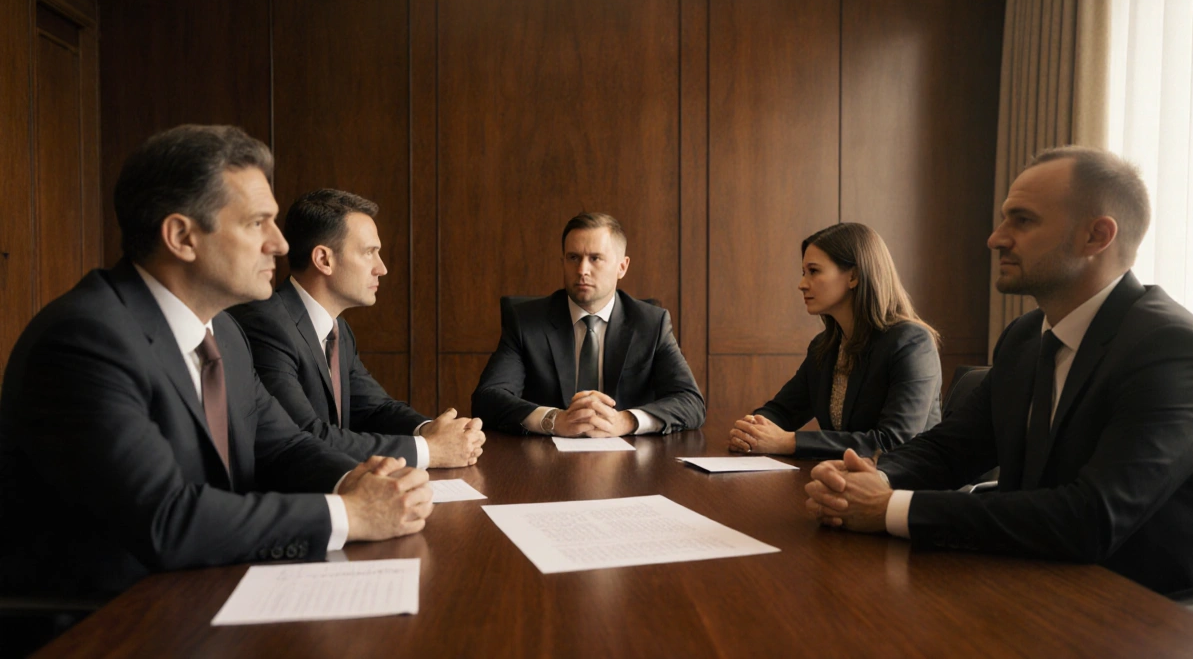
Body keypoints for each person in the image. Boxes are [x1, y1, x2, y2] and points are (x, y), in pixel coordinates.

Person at [0, 125, 433, 601]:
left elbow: (284, 448)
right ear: (182, 236)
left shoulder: (224, 331)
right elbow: (165, 518)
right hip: (111, 617)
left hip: (206, 588)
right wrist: (352, 514)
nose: (280, 244)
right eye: (257, 223)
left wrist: (362, 479)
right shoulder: (85, 340)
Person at [803, 146, 1193, 598]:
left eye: (1022, 220)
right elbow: (952, 448)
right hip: (1029, 581)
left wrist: (891, 508)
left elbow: (1093, 517)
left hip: (1138, 608)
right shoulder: (1025, 336)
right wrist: (871, 478)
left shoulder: (1173, 348)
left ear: (1096, 237)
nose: (995, 238)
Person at [229, 189, 485, 468]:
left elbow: (375, 409)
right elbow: (305, 437)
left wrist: (431, 430)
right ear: (324, 260)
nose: (382, 268)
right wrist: (430, 450)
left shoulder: (339, 330)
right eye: (369, 253)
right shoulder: (267, 325)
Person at [472, 212, 705, 436]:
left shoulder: (651, 324)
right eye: (573, 258)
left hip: (629, 455)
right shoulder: (526, 322)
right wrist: (554, 420)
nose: (582, 270)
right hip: (545, 454)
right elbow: (487, 399)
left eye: (595, 258)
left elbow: (691, 402)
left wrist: (625, 421)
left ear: (622, 267)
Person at [728, 223, 941, 458]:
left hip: (902, 479)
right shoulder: (824, 347)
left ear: (854, 276)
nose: (802, 284)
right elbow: (783, 411)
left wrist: (789, 442)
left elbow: (894, 442)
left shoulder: (912, 343)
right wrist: (752, 429)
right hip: (841, 475)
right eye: (803, 273)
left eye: (814, 271)